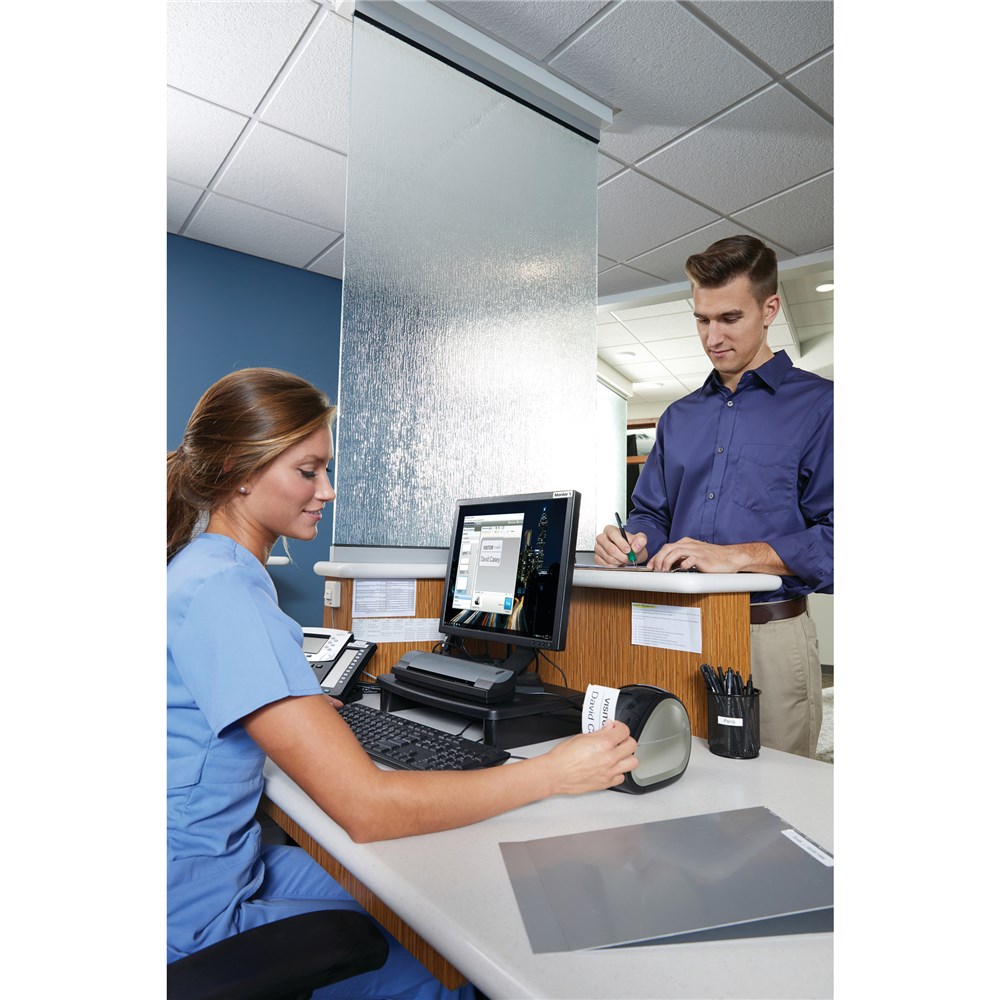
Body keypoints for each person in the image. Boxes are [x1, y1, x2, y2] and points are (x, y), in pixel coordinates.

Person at [167, 367, 639, 997]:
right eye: (308, 471)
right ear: (240, 471)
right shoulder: (227, 592)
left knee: (410, 902)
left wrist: (317, 717)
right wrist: (553, 773)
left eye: (326, 469)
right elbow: (368, 810)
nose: (327, 490)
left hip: (211, 866)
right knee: (452, 962)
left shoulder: (204, 567)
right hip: (194, 914)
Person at [594, 235, 833, 759]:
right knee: (669, 770)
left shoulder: (822, 406)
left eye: (729, 318)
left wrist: (736, 556)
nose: (712, 336)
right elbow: (652, 513)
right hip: (675, 627)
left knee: (776, 786)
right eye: (702, 319)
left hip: (766, 634)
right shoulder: (677, 417)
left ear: (769, 309)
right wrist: (633, 541)